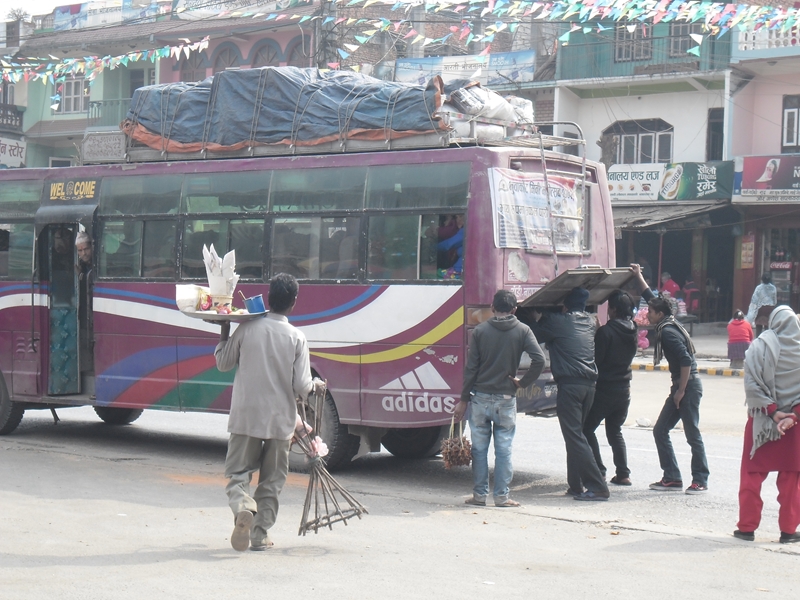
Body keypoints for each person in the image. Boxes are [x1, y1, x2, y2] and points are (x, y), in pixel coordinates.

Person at [214, 273, 326, 552]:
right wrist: (316, 385)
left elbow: (223, 364)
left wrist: (224, 329)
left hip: (245, 416)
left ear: (269, 297)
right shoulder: (297, 337)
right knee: (272, 480)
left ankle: (242, 507)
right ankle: (260, 535)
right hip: (279, 422)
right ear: (294, 303)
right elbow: (302, 386)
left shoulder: (247, 329)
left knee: (238, 473)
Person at [454, 290, 545, 508]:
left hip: (480, 399)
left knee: (479, 449)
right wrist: (522, 383)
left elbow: (471, 369)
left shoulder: (480, 331)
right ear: (514, 310)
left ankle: (479, 496)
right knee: (504, 449)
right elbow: (539, 360)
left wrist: (463, 399)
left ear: (493, 309)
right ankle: (502, 497)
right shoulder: (523, 330)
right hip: (506, 398)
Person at [631, 264, 709, 495]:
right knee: (660, 430)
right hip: (682, 385)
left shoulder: (667, 331)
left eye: (651, 313)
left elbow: (685, 362)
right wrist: (638, 276)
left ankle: (700, 479)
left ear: (660, 315)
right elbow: (651, 297)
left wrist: (680, 391)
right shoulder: (669, 319)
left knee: (692, 433)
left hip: (688, 386)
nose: (648, 314)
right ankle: (672, 477)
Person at [530, 287, 610, 501]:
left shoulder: (559, 322)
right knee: (578, 435)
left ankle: (598, 486)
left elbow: (532, 333)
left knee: (574, 437)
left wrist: (530, 312)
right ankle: (576, 485)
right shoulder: (590, 322)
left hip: (571, 387)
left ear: (565, 306)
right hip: (589, 387)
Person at [735, 305, 800, 544]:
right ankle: (788, 531)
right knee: (791, 482)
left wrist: (773, 413)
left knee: (751, 477)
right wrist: (792, 416)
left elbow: (752, 385)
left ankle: (746, 528)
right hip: (794, 426)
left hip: (762, 422)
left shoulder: (759, 347)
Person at [583, 290, 638, 486]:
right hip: (624, 389)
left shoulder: (606, 332)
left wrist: (598, 332)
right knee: (615, 430)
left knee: (587, 428)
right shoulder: (633, 328)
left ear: (613, 310)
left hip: (605, 389)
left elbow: (597, 361)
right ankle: (623, 473)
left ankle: (599, 469)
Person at [75, 231, 94, 372]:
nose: (84, 253)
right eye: (80, 250)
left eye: (86, 249)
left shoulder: (98, 265)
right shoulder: (78, 266)